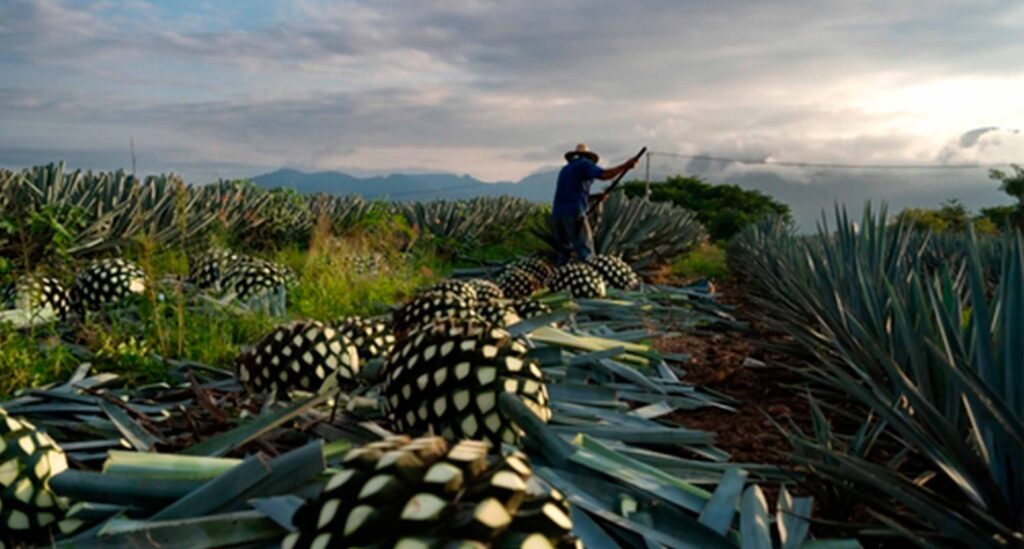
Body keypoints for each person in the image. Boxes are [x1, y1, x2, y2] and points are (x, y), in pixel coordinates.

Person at [552, 143, 638, 266]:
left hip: (558, 214)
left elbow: (572, 194)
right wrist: (625, 166)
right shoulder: (584, 164)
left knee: (565, 252)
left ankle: (560, 275)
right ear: (588, 157)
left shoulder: (565, 169)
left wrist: (596, 197)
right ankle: (591, 273)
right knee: (586, 251)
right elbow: (604, 175)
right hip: (574, 212)